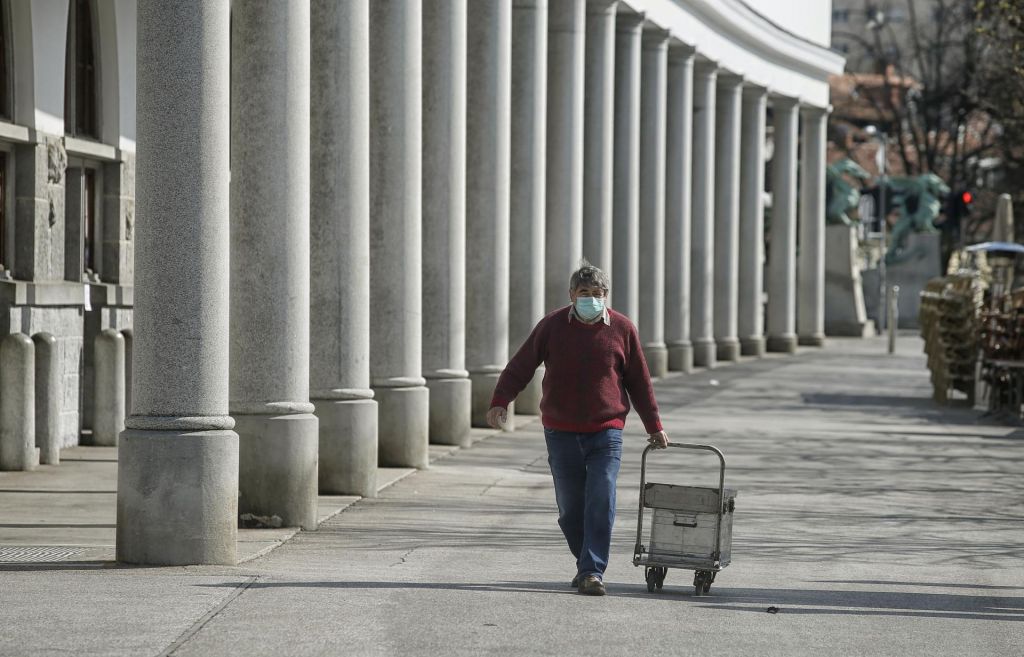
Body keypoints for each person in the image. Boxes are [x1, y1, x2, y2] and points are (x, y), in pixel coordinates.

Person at [486, 260, 668, 596]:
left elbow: (640, 382)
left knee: (602, 498)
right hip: (561, 430)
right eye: (584, 293)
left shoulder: (623, 329)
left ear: (606, 296)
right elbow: (522, 364)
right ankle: (586, 561)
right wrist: (501, 399)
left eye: (597, 294)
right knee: (571, 510)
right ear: (572, 294)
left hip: (606, 430)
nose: (591, 299)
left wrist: (653, 425)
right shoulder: (553, 325)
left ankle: (591, 571)